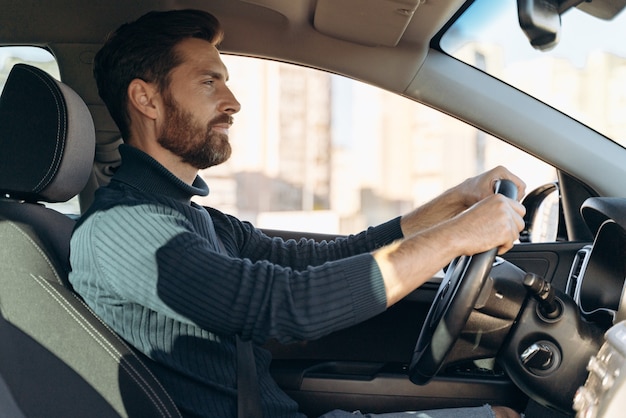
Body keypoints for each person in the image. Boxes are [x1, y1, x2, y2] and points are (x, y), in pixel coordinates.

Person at [69, 9, 526, 418]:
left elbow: (319, 261)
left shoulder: (192, 219)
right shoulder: (120, 230)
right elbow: (286, 305)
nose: (232, 101)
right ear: (146, 100)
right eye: (209, 82)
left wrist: (455, 204)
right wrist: (455, 238)